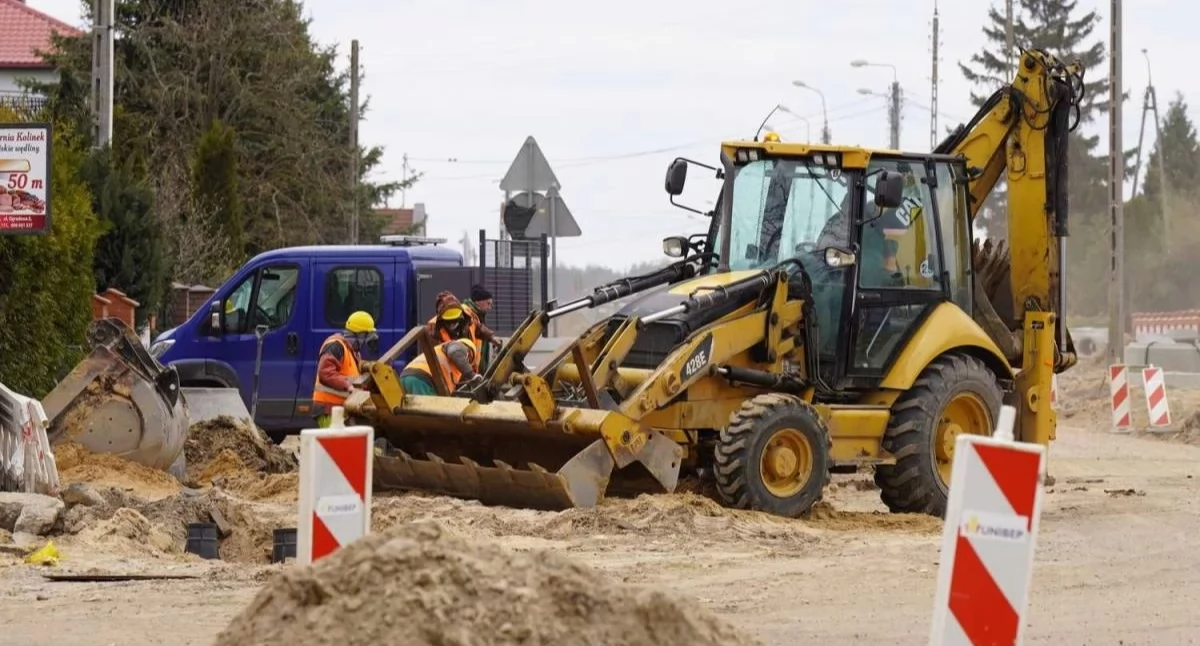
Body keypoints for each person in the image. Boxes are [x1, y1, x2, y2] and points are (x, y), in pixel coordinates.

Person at [311, 310, 377, 427]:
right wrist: (348, 386)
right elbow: (325, 373)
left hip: (341, 409)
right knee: (333, 444)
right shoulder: (336, 346)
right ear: (360, 334)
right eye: (366, 336)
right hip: (328, 409)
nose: (366, 342)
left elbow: (353, 378)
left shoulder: (353, 352)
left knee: (346, 444)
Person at [402, 303, 482, 395]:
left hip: (407, 377)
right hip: (422, 379)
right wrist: (471, 375)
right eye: (469, 357)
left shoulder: (444, 354)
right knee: (429, 409)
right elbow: (454, 352)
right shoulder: (458, 345)